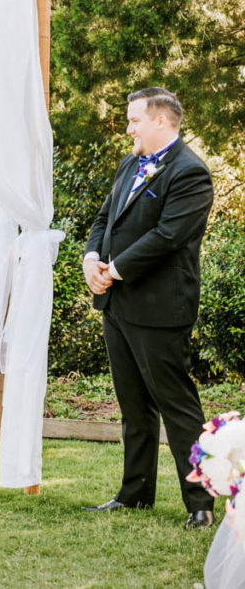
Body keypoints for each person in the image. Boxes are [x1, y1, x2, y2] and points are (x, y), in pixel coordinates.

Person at [81, 87, 214, 529]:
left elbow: (168, 236)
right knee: (133, 406)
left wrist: (114, 269)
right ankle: (135, 493)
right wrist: (91, 260)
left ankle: (201, 503)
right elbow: (105, 218)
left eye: (134, 120)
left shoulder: (191, 172)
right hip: (118, 304)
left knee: (178, 407)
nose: (128, 128)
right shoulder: (130, 163)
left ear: (161, 120)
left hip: (160, 308)